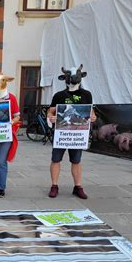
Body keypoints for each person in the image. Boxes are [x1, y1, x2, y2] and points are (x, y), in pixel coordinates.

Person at [47, 65, 97, 199]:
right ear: (65, 79)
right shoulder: (59, 95)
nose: (74, 79)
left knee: (76, 160)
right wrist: (51, 117)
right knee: (56, 159)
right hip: (61, 133)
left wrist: (93, 116)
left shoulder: (87, 95)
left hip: (77, 134)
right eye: (71, 77)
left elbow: (90, 110)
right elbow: (51, 110)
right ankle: (54, 185)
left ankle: (78, 186)